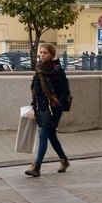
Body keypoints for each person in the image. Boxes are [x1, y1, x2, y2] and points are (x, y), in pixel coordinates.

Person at [25, 42, 72, 177]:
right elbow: (36, 90)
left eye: (45, 53)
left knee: (43, 134)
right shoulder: (39, 69)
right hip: (41, 107)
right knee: (51, 136)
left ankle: (37, 167)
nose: (42, 55)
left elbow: (65, 91)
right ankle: (64, 160)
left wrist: (58, 104)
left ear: (52, 54)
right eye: (41, 52)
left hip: (54, 108)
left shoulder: (57, 70)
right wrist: (33, 106)